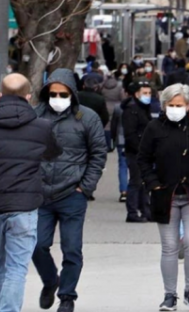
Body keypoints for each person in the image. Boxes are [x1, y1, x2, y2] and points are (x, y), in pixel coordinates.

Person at [138, 84, 189, 311]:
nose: (175, 109)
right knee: (169, 246)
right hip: (165, 197)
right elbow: (143, 159)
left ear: (188, 105)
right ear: (164, 106)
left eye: (179, 105)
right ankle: (169, 294)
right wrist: (153, 184)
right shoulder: (154, 128)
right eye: (171, 105)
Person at [32, 69, 107, 312]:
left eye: (62, 94)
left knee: (72, 248)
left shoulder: (88, 117)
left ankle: (67, 296)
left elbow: (98, 154)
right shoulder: (35, 116)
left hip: (72, 196)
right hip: (40, 195)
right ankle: (50, 280)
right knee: (37, 244)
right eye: (52, 93)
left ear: (72, 94)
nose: (57, 98)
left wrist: (84, 187)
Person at [0, 74, 62, 312]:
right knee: (16, 269)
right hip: (24, 206)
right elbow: (53, 153)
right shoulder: (41, 126)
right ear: (28, 97)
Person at [121, 80, 154, 223]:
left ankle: (146, 211)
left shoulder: (144, 108)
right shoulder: (132, 110)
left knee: (145, 183)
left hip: (145, 153)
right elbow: (131, 134)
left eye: (149, 93)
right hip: (135, 153)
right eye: (144, 93)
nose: (148, 96)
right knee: (136, 182)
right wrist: (142, 151)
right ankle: (132, 212)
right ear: (136, 94)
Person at [110, 101, 128, 203]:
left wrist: (112, 138)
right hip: (137, 140)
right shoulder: (141, 106)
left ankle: (124, 191)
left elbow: (114, 124)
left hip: (121, 139)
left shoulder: (118, 107)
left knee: (123, 165)